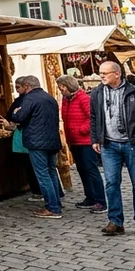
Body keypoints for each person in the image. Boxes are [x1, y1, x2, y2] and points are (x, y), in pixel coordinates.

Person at [90, 60, 135, 237]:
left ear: (117, 74)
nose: (102, 76)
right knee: (111, 184)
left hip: (132, 144)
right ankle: (115, 221)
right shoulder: (97, 93)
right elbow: (94, 117)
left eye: (106, 73)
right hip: (109, 145)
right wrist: (96, 138)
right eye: (100, 73)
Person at [9, 75, 63, 219]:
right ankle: (56, 203)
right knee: (51, 172)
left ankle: (52, 208)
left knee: (43, 174)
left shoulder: (30, 99)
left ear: (27, 86)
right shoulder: (49, 98)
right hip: (52, 140)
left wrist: (15, 113)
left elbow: (18, 117)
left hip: (37, 142)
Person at [59, 75, 105, 213]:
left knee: (91, 169)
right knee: (82, 170)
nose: (61, 90)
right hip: (73, 140)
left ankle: (101, 200)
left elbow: (92, 117)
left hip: (85, 141)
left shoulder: (84, 98)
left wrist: (82, 130)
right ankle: (90, 197)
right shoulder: (66, 99)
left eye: (62, 87)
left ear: (68, 86)